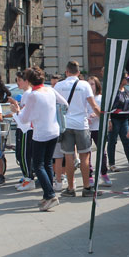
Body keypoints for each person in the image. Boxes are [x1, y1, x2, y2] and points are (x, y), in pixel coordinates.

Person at [17, 67, 68, 211]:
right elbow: (64, 103)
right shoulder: (50, 90)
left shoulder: (33, 95)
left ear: (29, 80)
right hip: (54, 130)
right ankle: (47, 195)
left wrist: (17, 111)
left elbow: (24, 118)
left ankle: (51, 195)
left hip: (41, 133)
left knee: (37, 165)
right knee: (47, 164)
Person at [54, 60, 101, 197]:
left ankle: (70, 188)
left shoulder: (59, 85)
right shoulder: (84, 84)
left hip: (66, 124)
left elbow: (54, 105)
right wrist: (103, 119)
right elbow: (93, 105)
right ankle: (86, 187)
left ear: (66, 72)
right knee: (85, 156)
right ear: (79, 73)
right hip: (82, 124)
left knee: (68, 157)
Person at [8, 71, 34, 190]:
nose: (17, 83)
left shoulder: (29, 94)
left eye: (19, 80)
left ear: (26, 81)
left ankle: (29, 178)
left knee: (24, 154)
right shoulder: (25, 94)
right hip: (22, 126)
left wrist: (16, 110)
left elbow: (25, 113)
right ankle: (26, 176)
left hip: (26, 128)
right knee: (20, 153)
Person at [107, 72, 129, 171]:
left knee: (126, 140)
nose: (127, 80)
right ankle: (112, 164)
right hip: (115, 119)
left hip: (124, 119)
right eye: (126, 78)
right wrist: (109, 120)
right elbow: (108, 107)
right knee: (112, 141)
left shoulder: (127, 91)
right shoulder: (113, 91)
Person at [86, 76, 111, 187]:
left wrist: (97, 114)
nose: (90, 86)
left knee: (102, 151)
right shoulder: (85, 97)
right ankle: (89, 175)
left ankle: (104, 173)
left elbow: (105, 112)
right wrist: (86, 117)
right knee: (87, 153)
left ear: (97, 85)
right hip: (86, 128)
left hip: (98, 128)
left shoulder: (101, 98)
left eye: (92, 84)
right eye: (89, 84)